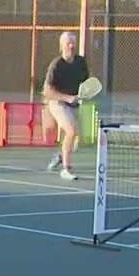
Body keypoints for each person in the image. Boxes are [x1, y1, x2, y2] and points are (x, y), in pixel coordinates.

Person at [40, 30, 89, 182]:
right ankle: (66, 169)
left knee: (75, 142)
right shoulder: (56, 65)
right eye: (68, 42)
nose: (71, 45)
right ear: (62, 45)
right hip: (57, 103)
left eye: (73, 42)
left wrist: (83, 95)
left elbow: (86, 84)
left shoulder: (81, 62)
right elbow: (47, 91)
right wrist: (67, 98)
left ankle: (60, 156)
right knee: (71, 131)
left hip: (73, 104)